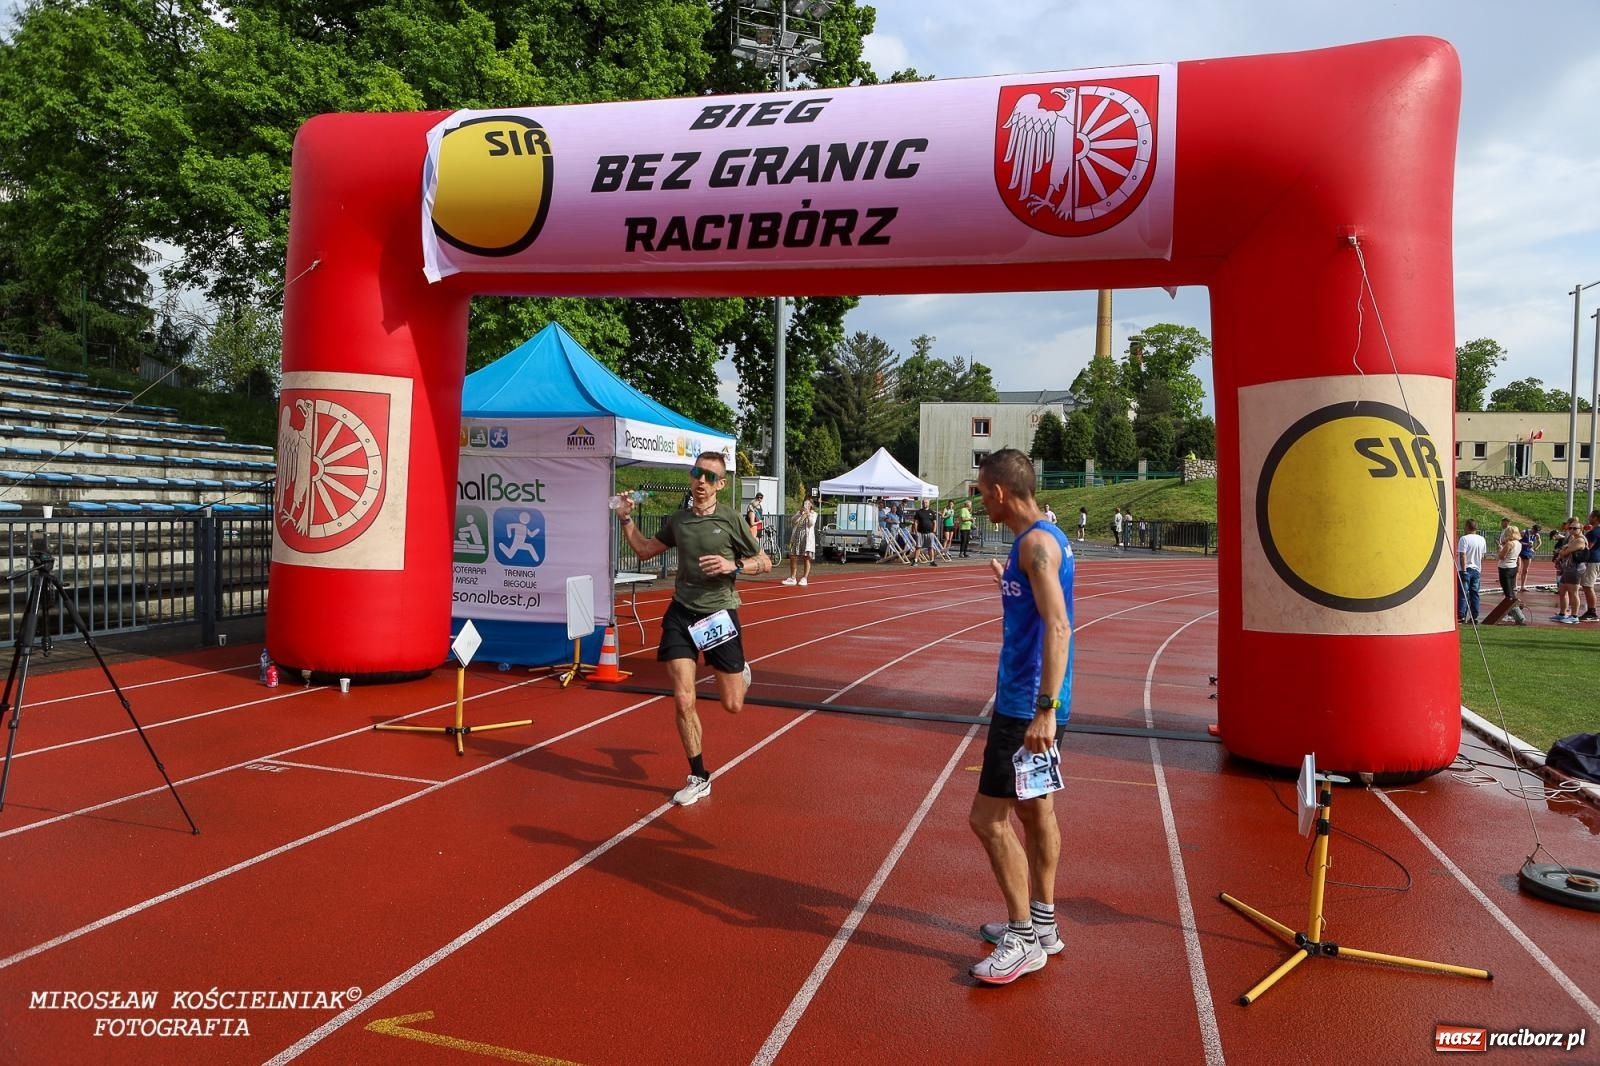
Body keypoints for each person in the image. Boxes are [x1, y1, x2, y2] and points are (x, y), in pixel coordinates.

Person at [965, 448, 1074, 985]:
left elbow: (1059, 626)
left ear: (1001, 493)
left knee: (987, 820)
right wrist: (1006, 582)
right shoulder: (1042, 539)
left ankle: (1023, 937)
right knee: (1035, 812)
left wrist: (1044, 712)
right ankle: (1044, 925)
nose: (980, 501)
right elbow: (1039, 609)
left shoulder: (1034, 546)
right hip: (1035, 701)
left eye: (982, 492)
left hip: (1025, 707)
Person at [615, 452, 770, 805]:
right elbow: (644, 551)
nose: (701, 481)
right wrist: (625, 519)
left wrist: (733, 566)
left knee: (733, 705)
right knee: (684, 698)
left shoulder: (731, 519)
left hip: (718, 614)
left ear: (721, 484)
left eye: (710, 477)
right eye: (697, 473)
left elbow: (765, 561)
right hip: (681, 614)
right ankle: (699, 776)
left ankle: (740, 671)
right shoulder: (679, 520)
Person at [1495, 524, 1527, 625]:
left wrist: (1500, 549)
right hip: (1513, 567)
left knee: (1508, 594)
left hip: (1505, 568)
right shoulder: (1518, 543)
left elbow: (1501, 556)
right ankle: (1513, 612)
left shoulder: (1509, 544)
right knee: (1511, 591)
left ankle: (1519, 616)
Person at [1455, 518, 1486, 624]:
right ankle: (1474, 616)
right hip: (1476, 569)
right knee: (1474, 593)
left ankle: (1461, 615)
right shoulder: (1482, 539)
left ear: (1468, 527)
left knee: (1463, 593)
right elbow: (1482, 556)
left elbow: (1462, 555)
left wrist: (1463, 569)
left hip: (1466, 568)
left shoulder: (1464, 539)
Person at [783, 496, 817, 586]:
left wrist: (808, 514)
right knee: (793, 556)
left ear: (811, 505)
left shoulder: (813, 514)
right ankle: (793, 578)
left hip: (807, 538)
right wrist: (800, 513)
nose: (806, 505)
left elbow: (811, 523)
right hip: (797, 537)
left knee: (806, 558)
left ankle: (804, 578)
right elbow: (793, 520)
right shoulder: (800, 512)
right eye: (805, 503)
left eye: (808, 504)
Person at [911, 498, 940, 565]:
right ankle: (915, 561)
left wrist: (934, 531)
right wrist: (916, 531)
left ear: (928, 503)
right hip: (920, 532)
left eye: (926, 502)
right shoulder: (919, 512)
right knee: (918, 547)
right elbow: (915, 522)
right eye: (924, 502)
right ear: (922, 503)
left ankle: (932, 561)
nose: (925, 504)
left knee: (930, 547)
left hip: (930, 532)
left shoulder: (932, 512)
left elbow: (935, 522)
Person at [1517, 522, 1542, 595]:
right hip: (1520, 551)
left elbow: (1540, 542)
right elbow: (1518, 541)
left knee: (1525, 570)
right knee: (1517, 569)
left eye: (1537, 532)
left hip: (1528, 552)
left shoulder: (1537, 535)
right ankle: (1514, 586)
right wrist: (1526, 544)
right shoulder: (1524, 532)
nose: (1535, 533)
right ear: (1532, 528)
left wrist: (1535, 548)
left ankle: (1522, 586)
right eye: (1535, 531)